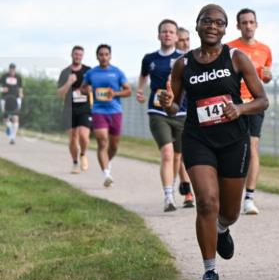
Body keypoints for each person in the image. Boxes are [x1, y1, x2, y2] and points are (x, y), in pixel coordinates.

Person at [157, 4, 268, 280]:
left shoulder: (236, 58)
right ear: (197, 25)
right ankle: (209, 272)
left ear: (225, 29)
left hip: (233, 141)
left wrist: (240, 109)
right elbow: (174, 106)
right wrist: (167, 102)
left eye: (219, 23)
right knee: (207, 202)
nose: (213, 27)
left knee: (229, 212)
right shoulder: (183, 64)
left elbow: (262, 100)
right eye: (207, 21)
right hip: (198, 139)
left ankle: (222, 229)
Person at [138, 19, 188, 212]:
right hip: (157, 111)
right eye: (164, 31)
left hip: (181, 112)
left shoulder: (184, 58)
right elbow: (143, 75)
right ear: (158, 35)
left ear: (176, 37)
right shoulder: (149, 59)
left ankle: (172, 188)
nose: (167, 34)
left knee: (178, 156)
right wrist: (140, 90)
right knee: (167, 152)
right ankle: (168, 196)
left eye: (171, 32)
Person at [226, 8, 272, 215]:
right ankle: (229, 193)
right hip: (233, 104)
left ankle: (249, 198)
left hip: (254, 104)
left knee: (253, 147)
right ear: (238, 26)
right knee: (232, 148)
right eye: (244, 22)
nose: (248, 26)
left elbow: (264, 77)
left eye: (251, 22)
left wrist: (268, 77)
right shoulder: (229, 48)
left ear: (256, 24)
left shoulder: (265, 50)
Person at [80, 44, 131, 187]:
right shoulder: (91, 73)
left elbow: (128, 91)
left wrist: (115, 93)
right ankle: (106, 174)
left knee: (114, 146)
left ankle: (107, 163)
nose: (104, 57)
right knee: (102, 142)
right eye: (101, 54)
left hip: (115, 111)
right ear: (97, 56)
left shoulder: (117, 72)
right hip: (98, 111)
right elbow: (83, 88)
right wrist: (86, 90)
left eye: (106, 54)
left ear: (110, 56)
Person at [57, 46, 92, 173]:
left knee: (83, 135)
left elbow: (93, 87)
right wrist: (69, 83)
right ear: (71, 55)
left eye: (80, 55)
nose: (78, 57)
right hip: (69, 109)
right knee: (73, 138)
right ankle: (75, 163)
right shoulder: (65, 72)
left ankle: (83, 154)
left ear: (82, 56)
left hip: (84, 108)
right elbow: (60, 93)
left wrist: (88, 90)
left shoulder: (88, 71)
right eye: (76, 54)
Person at [174, 27, 196, 208]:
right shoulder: (174, 63)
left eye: (187, 39)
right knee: (182, 152)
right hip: (178, 112)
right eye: (181, 40)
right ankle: (188, 190)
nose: (185, 43)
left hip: (196, 110)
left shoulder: (195, 59)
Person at [0, 63, 24, 145]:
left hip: (15, 99)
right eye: (11, 68)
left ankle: (12, 137)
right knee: (6, 118)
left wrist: (21, 95)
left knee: (15, 118)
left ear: (15, 69)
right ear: (9, 69)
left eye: (13, 69)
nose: (12, 70)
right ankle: (8, 128)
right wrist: (2, 89)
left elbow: (20, 88)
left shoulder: (18, 77)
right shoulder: (4, 76)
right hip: (5, 99)